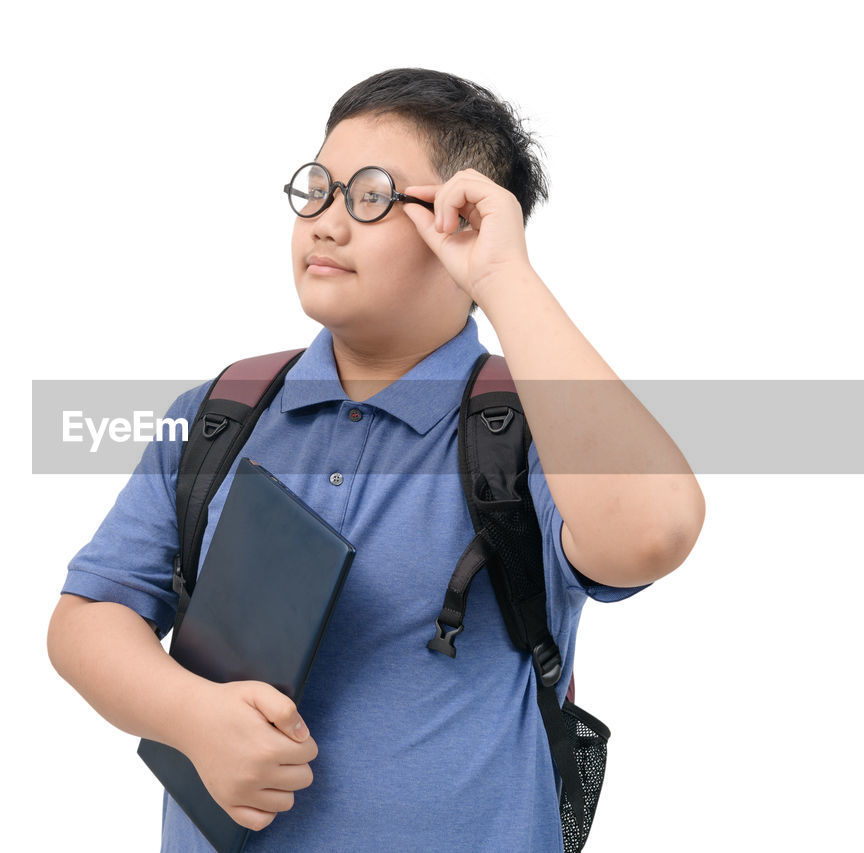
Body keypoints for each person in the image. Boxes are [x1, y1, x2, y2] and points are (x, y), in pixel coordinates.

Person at [47, 68, 705, 852]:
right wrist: (190, 716)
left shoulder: (535, 429)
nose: (326, 221)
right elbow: (87, 617)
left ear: (461, 221)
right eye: (318, 188)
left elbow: (655, 528)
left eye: (370, 197)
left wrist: (503, 277)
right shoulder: (220, 410)